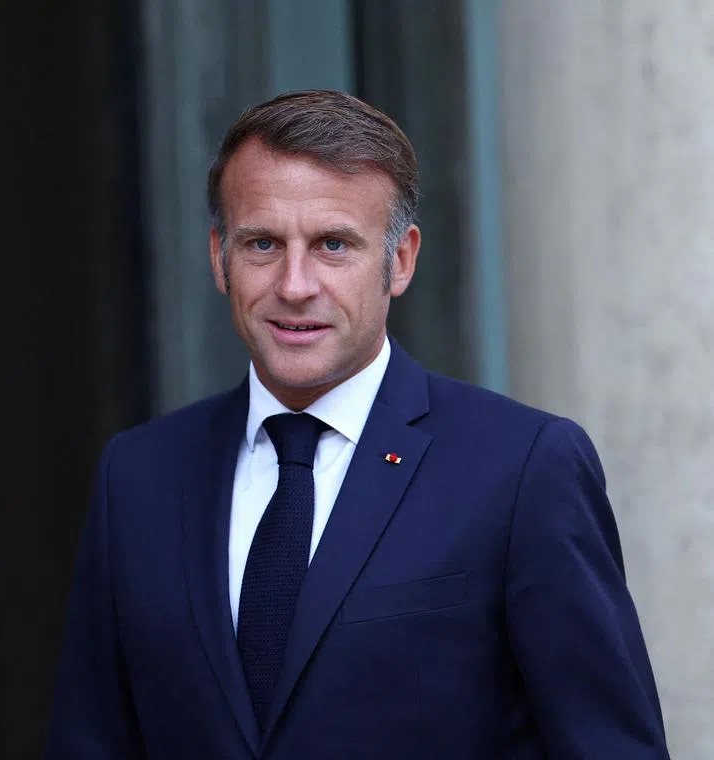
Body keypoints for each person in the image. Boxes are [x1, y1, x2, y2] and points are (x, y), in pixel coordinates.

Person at [44, 89, 668, 758]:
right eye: (262, 244)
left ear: (400, 261)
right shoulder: (138, 476)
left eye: (333, 245)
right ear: (219, 256)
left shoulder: (522, 468)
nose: (294, 283)